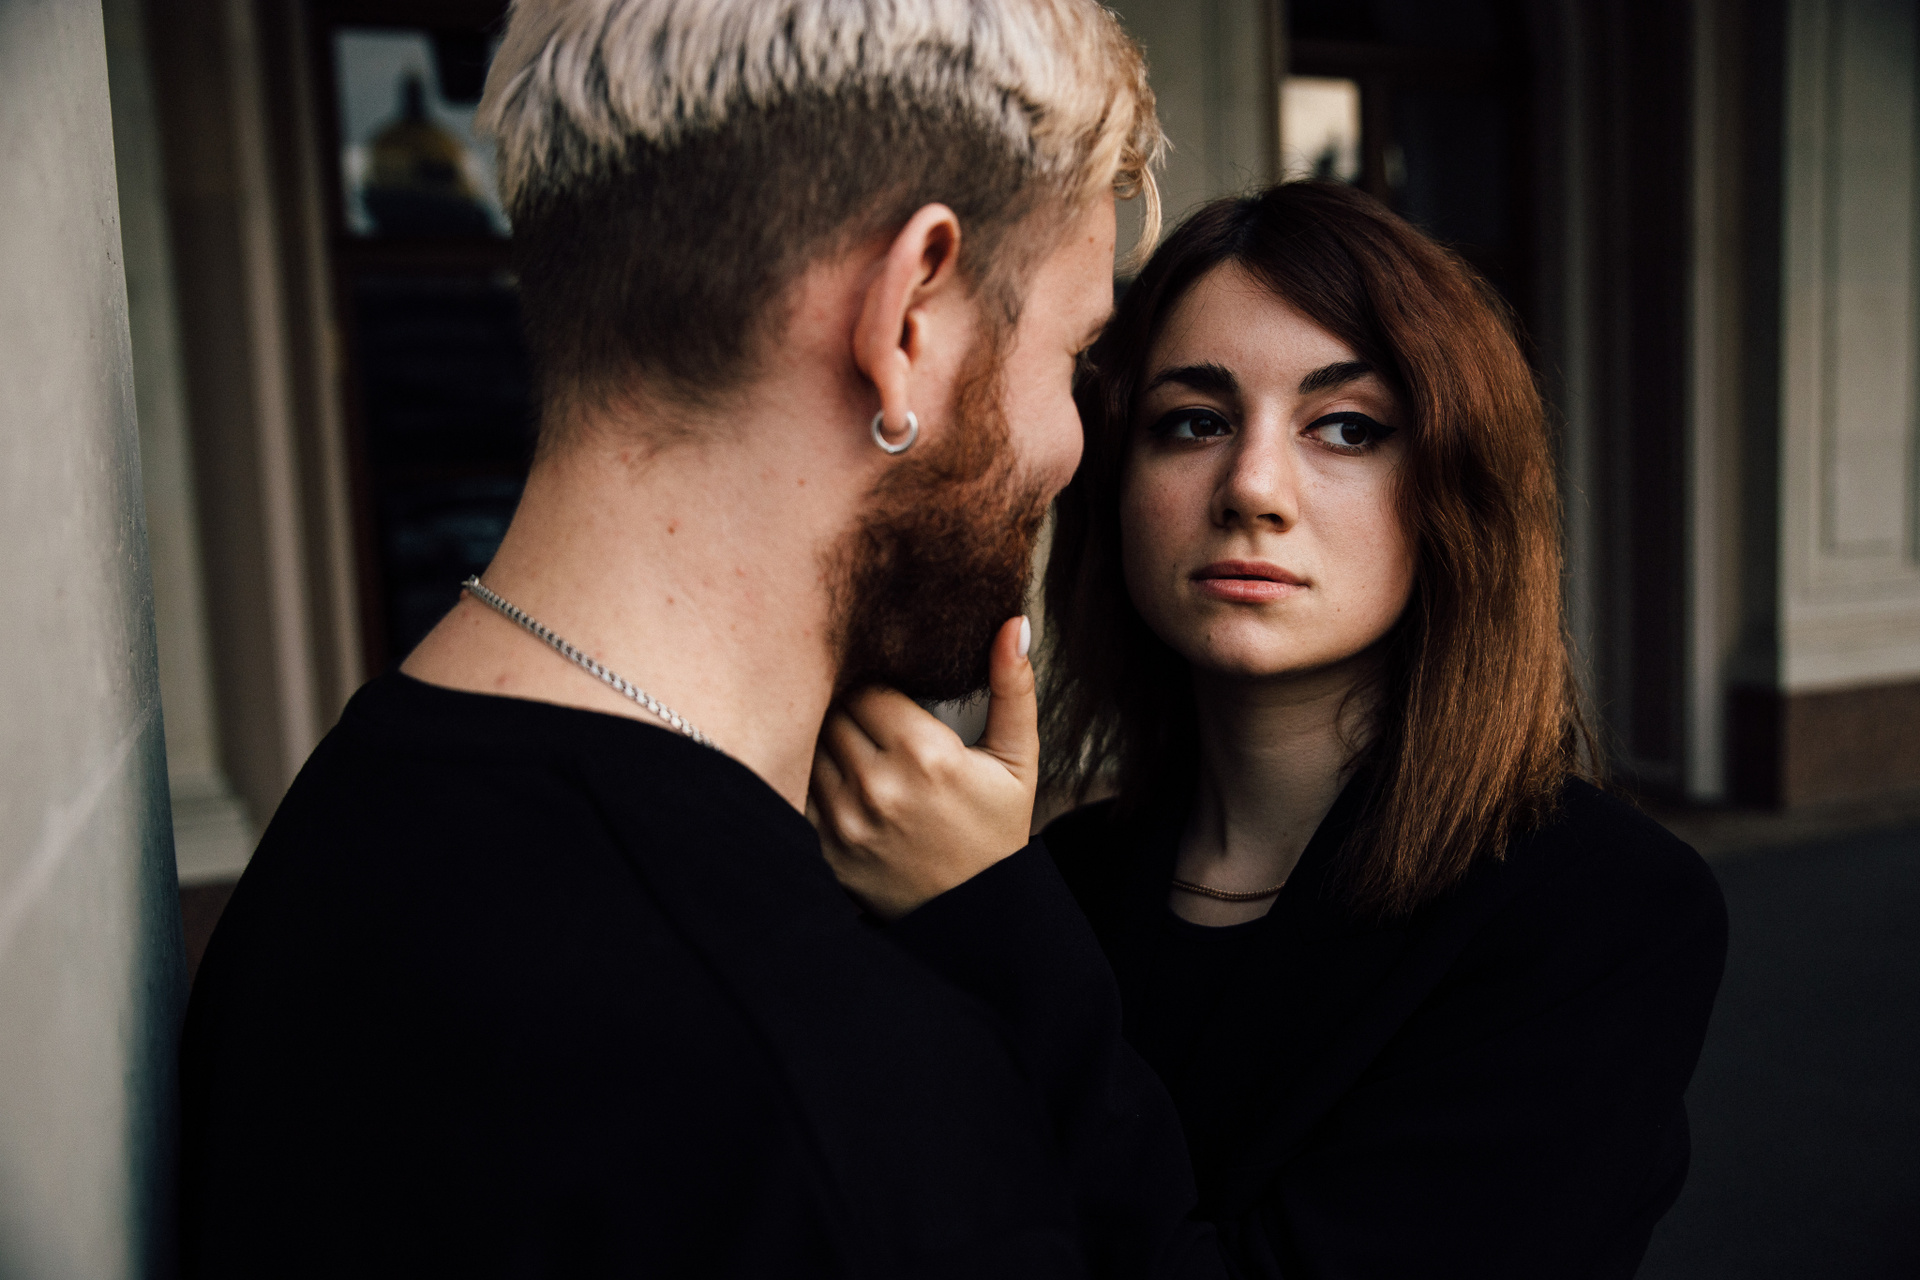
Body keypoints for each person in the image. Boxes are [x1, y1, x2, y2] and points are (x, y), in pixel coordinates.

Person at [178, 3, 1231, 1275]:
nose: (1071, 447)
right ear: (908, 320)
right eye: (1074, 353)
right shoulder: (855, 1113)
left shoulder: (333, 837)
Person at [810, 182, 1730, 1278]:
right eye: (1192, 422)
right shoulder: (1067, 879)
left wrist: (989, 925)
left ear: (1456, 493)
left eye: (1348, 428)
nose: (1251, 487)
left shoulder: (1599, 909)